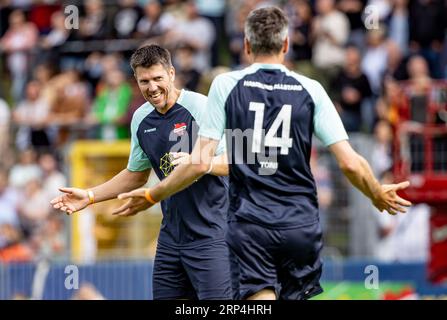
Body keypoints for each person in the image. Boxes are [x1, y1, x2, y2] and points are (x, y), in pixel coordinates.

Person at [117, 7, 412, 300]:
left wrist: (152, 195)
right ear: (286, 44)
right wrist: (375, 192)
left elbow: (200, 162)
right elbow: (349, 162)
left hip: (253, 221)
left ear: (246, 45)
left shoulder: (226, 84)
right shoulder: (311, 89)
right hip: (300, 221)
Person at [50, 45, 232, 300]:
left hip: (212, 234)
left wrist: (200, 162)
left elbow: (235, 161)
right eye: (144, 81)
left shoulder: (200, 107)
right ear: (135, 80)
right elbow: (135, 174)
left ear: (171, 73)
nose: (152, 87)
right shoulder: (140, 118)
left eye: (158, 78)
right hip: (171, 238)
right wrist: (90, 196)